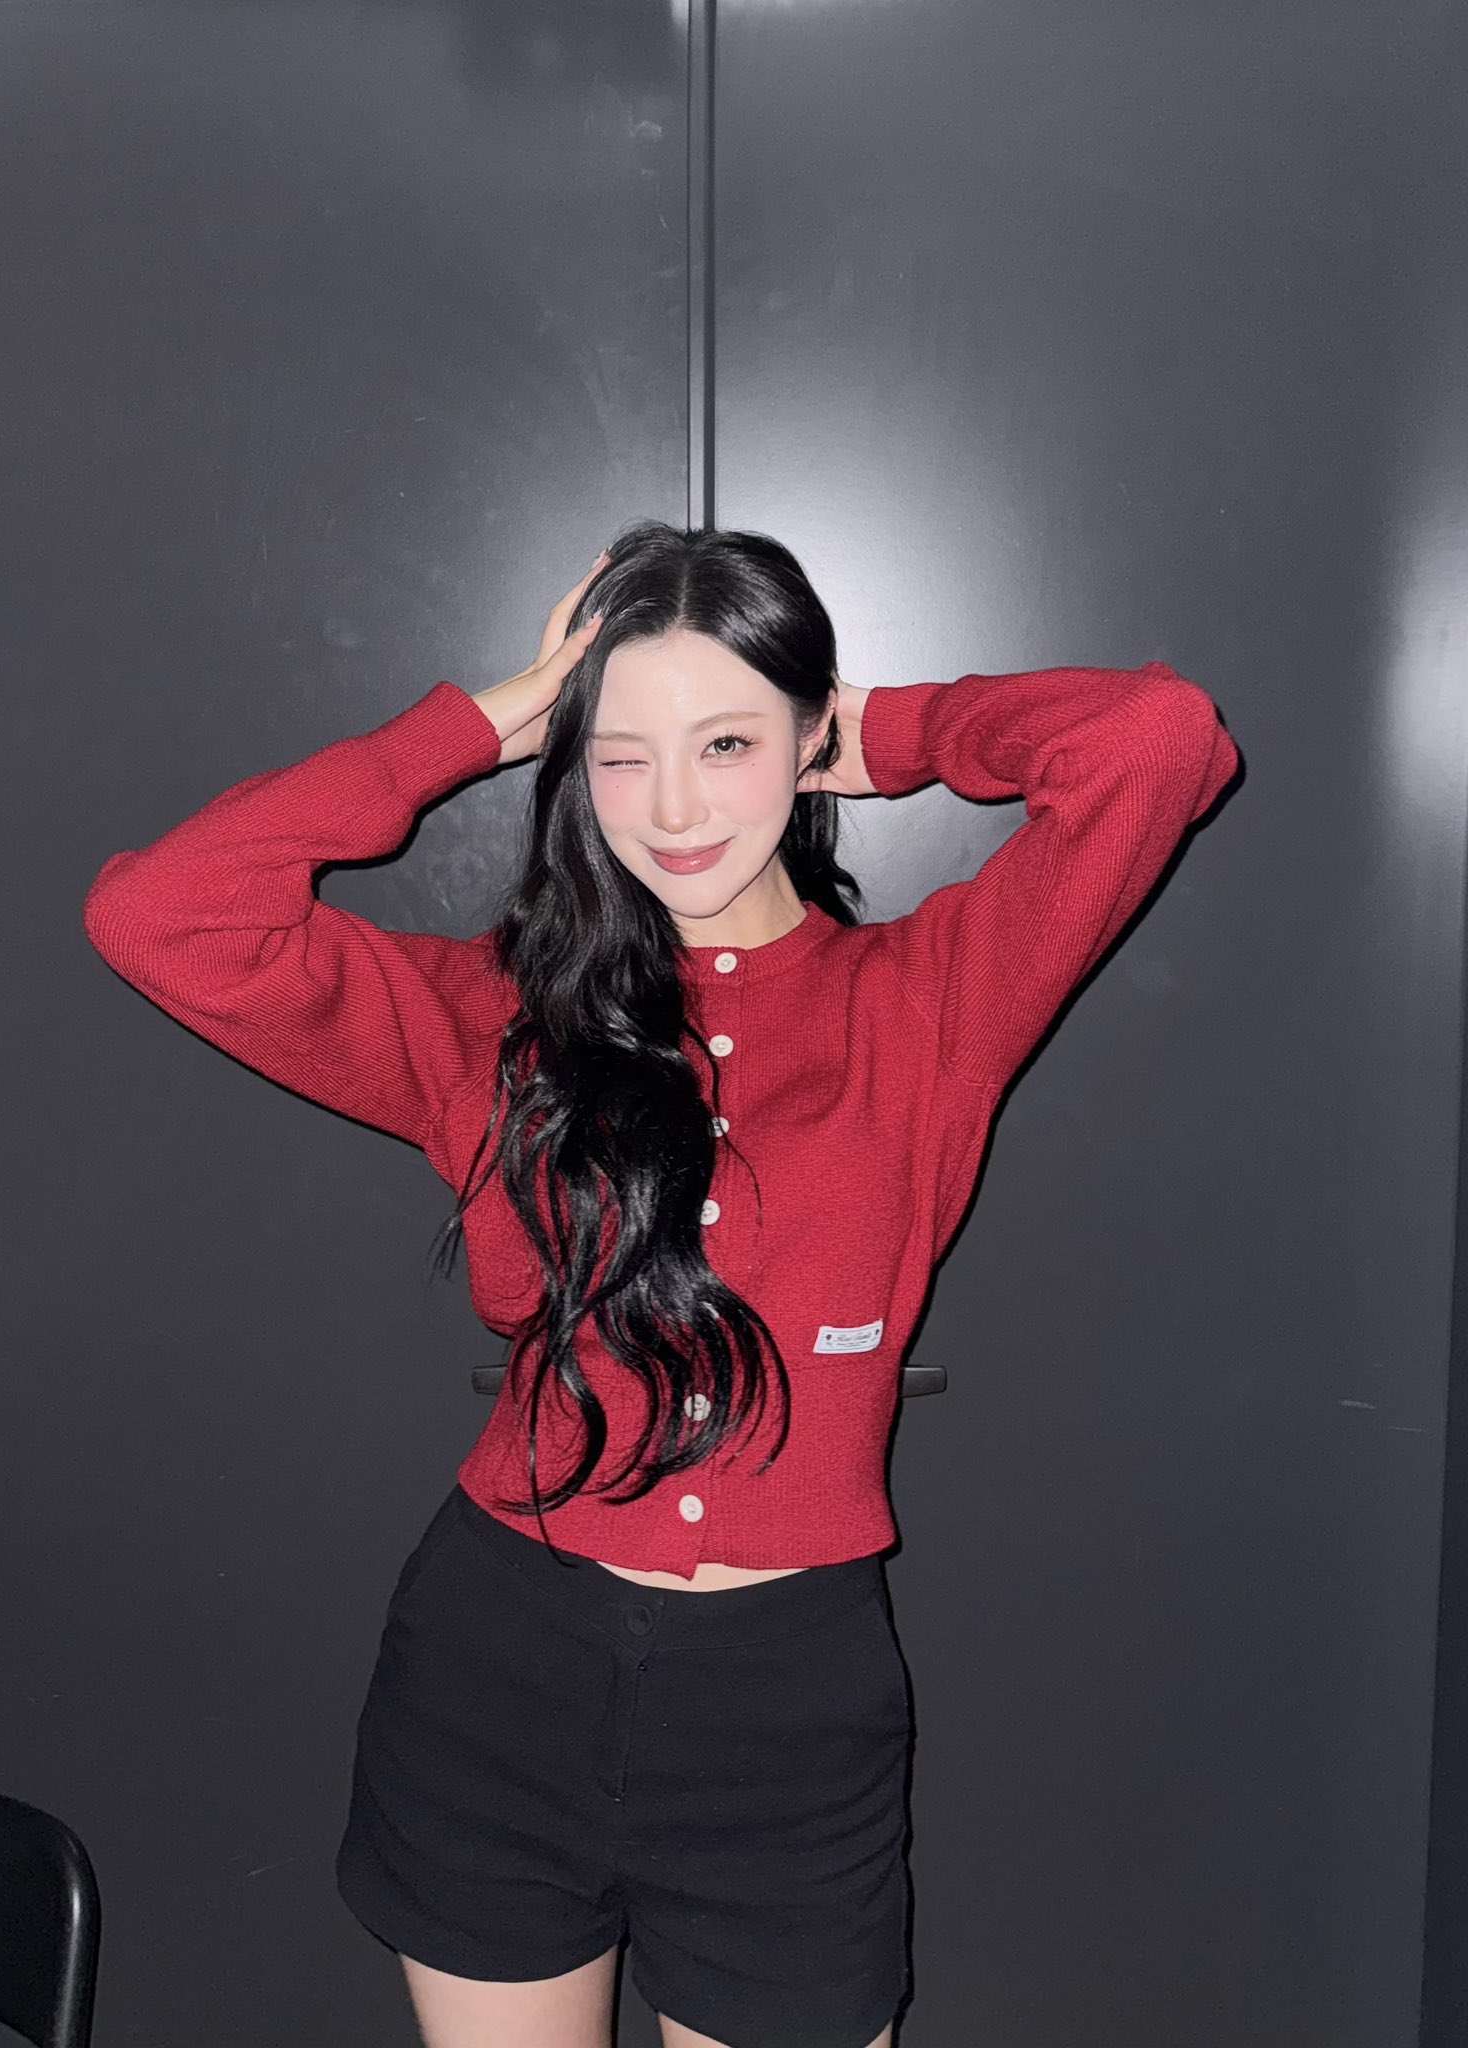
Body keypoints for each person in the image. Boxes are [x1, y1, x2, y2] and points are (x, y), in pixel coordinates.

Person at [82, 519, 1240, 2048]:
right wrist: (481, 724)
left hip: (785, 1716)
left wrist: (885, 734)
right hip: (496, 1675)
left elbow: (1161, 740)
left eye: (727, 742)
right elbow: (159, 915)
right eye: (622, 755)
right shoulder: (492, 1014)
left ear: (806, 738)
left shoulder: (928, 1000)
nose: (676, 807)